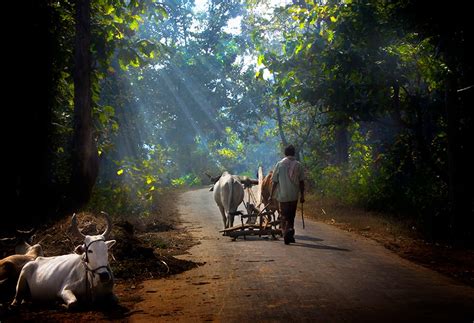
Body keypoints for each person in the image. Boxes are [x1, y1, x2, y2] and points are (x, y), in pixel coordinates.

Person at [269, 144, 305, 245]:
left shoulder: (280, 164)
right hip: (294, 196)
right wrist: (302, 195)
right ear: (294, 153)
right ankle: (290, 234)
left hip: (282, 195)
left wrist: (271, 195)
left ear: (285, 153)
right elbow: (302, 182)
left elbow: (274, 181)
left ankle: (285, 233)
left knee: (283, 215)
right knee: (291, 216)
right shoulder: (298, 165)